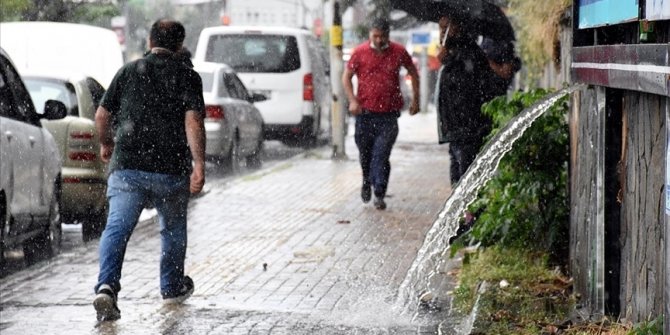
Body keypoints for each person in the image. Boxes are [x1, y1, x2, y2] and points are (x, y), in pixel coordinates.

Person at [92, 19, 206, 322]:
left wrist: (107, 144)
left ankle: (106, 287)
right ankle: (171, 287)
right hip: (170, 169)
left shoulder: (129, 71)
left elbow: (102, 115)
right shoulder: (187, 76)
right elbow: (193, 122)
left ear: (150, 41)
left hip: (128, 166)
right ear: (179, 46)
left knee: (117, 227)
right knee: (172, 229)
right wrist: (199, 164)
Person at [342, 17, 420, 210]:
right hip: (365, 114)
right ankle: (366, 180)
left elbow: (413, 72)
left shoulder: (399, 52)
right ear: (370, 34)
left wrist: (416, 99)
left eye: (382, 36)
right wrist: (352, 99)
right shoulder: (359, 53)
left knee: (381, 154)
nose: (378, 40)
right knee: (365, 155)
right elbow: (346, 76)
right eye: (375, 36)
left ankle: (379, 192)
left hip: (388, 116)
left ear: (388, 35)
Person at [435, 14, 496, 187]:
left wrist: (449, 60)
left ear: (458, 27)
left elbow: (466, 88)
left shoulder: (468, 52)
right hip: (455, 130)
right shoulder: (454, 51)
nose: (442, 33)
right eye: (440, 28)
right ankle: (463, 211)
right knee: (457, 178)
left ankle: (470, 213)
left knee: (465, 178)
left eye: (446, 28)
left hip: (467, 129)